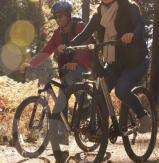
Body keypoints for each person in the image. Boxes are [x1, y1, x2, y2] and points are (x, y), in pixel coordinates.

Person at [61, 0, 151, 133]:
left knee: (121, 90)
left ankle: (143, 116)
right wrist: (70, 45)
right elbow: (85, 34)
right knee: (100, 93)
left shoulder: (129, 7)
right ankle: (101, 128)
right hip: (114, 63)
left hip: (135, 61)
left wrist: (132, 35)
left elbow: (139, 25)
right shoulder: (99, 14)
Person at [20, 1, 92, 146]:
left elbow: (86, 46)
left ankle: (86, 105)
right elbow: (46, 50)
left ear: (69, 15)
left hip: (83, 66)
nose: (58, 20)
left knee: (63, 95)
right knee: (63, 94)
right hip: (66, 69)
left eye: (61, 16)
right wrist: (31, 64)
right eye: (56, 17)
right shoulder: (57, 33)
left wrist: (76, 62)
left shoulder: (80, 26)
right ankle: (64, 134)